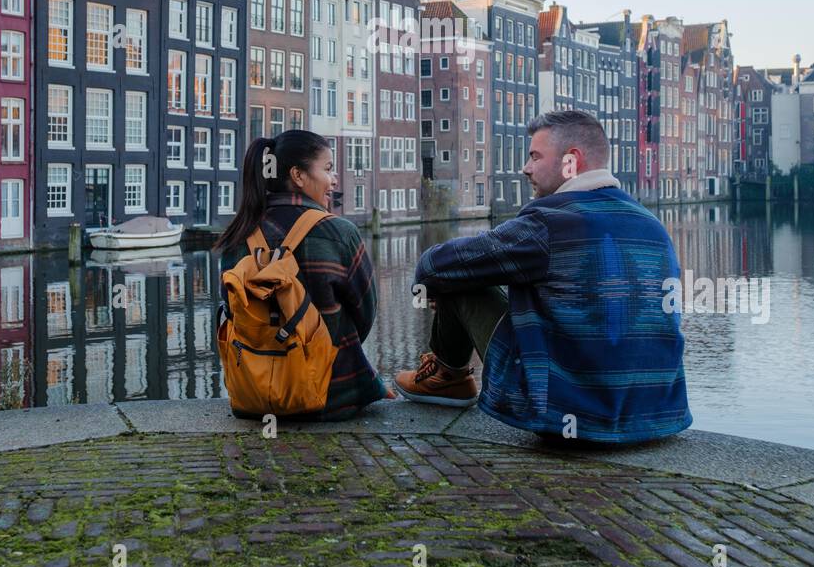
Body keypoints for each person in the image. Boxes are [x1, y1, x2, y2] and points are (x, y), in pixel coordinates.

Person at [395, 109, 693, 444]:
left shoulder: (549, 220)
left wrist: (443, 284)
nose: (526, 168)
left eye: (535, 156)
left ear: (572, 161)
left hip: (569, 415)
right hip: (659, 415)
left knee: (458, 274)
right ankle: (449, 374)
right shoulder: (652, 225)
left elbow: (433, 266)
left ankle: (448, 375)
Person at [214, 131, 390, 418]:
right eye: (328, 169)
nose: (334, 180)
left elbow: (230, 312)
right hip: (333, 397)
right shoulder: (340, 232)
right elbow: (365, 314)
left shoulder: (238, 235)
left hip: (253, 396)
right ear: (298, 175)